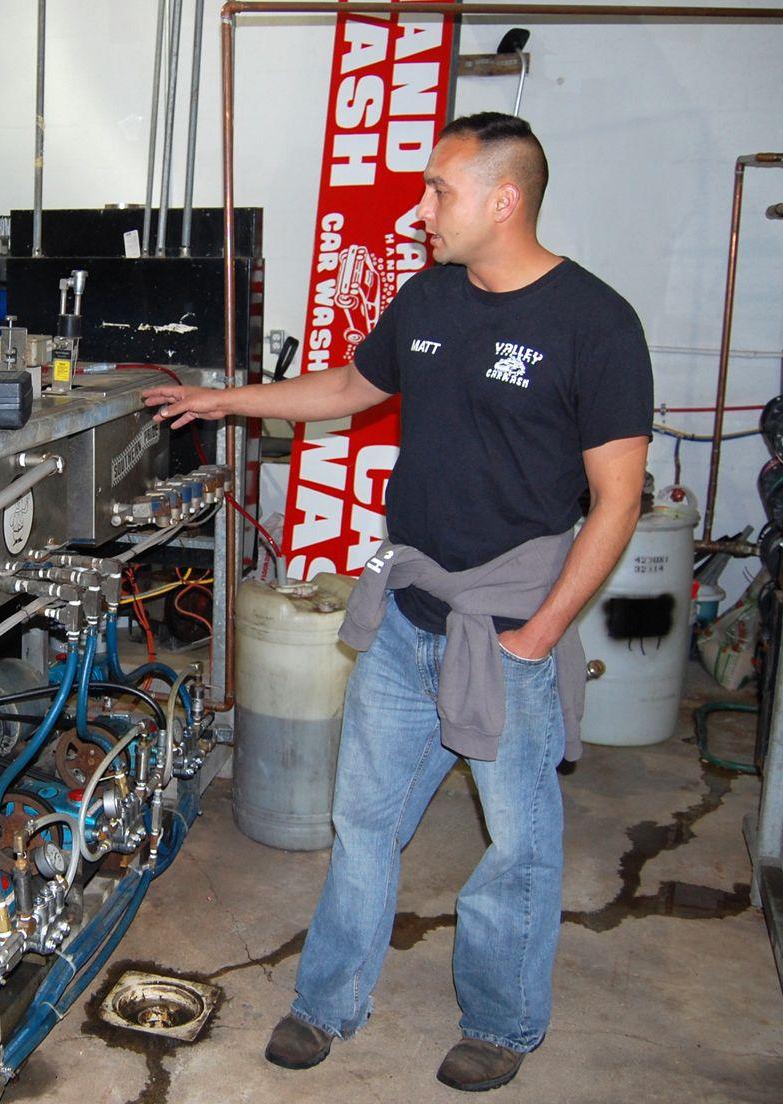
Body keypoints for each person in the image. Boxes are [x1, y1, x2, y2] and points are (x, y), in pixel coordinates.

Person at [142, 113, 653, 1092]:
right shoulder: (430, 298)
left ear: (504, 200)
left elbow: (618, 499)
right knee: (364, 823)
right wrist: (231, 401)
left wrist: (539, 636)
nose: (420, 212)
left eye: (439, 193)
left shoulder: (594, 324)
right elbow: (347, 385)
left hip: (506, 629)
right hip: (408, 615)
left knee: (520, 845)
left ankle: (503, 1023)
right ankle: (325, 1002)